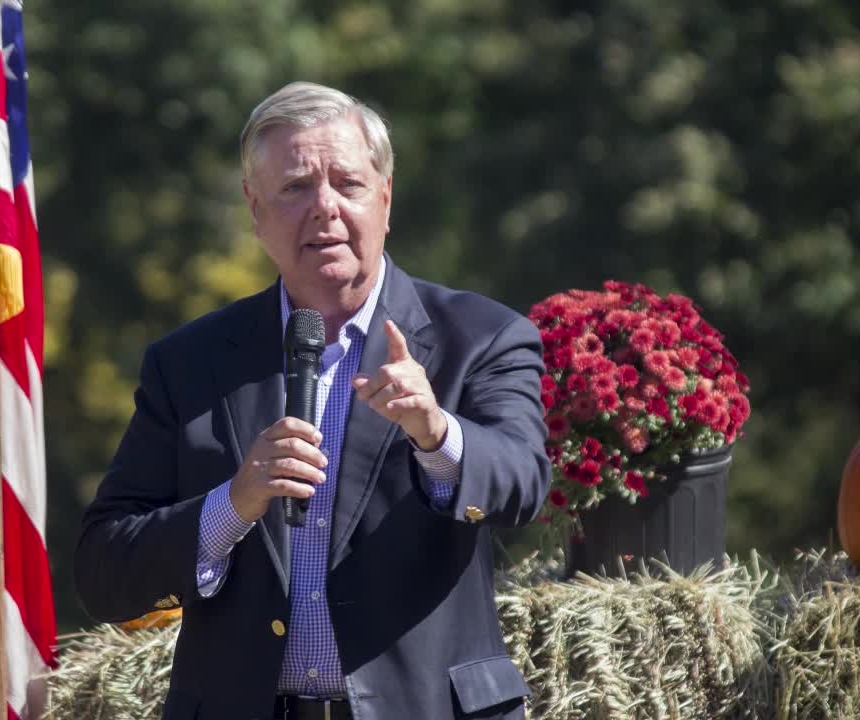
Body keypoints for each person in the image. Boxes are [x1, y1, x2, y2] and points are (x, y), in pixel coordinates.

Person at [75, 81, 550, 720]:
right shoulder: (188, 364)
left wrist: (437, 432)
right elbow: (105, 571)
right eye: (295, 188)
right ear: (255, 209)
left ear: (385, 197)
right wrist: (232, 506)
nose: (324, 208)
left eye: (347, 184)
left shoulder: (483, 336)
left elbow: (523, 484)